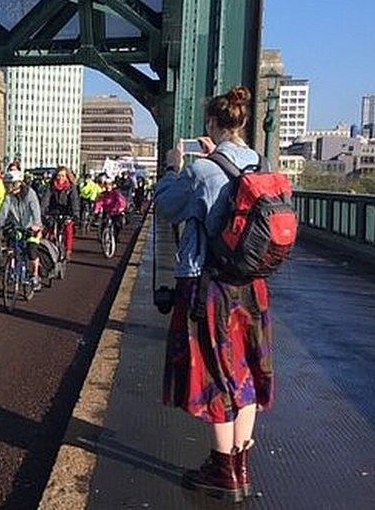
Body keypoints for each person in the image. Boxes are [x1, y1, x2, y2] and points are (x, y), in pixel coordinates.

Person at [155, 85, 272, 502]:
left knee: (215, 374)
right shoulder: (262, 163)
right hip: (253, 286)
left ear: (212, 124)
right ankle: (239, 464)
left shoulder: (202, 170)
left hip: (209, 285)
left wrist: (175, 168)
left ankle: (224, 470)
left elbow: (166, 207)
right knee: (245, 371)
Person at [0, 170, 44, 290]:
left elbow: (35, 210)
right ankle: (11, 270)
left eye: (9, 183)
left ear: (18, 183)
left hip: (31, 228)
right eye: (5, 183)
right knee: (12, 247)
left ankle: (35, 275)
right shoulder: (9, 196)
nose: (7, 186)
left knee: (32, 251)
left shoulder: (30, 194)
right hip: (17, 228)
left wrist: (37, 224)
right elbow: (3, 212)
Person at [40, 166, 79, 256]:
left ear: (67, 177)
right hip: (53, 211)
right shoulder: (51, 186)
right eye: (58, 175)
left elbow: (74, 201)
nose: (60, 178)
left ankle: (68, 249)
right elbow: (45, 200)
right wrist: (43, 212)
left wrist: (74, 214)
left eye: (63, 176)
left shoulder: (71, 188)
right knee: (49, 230)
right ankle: (49, 250)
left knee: (68, 228)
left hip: (67, 212)